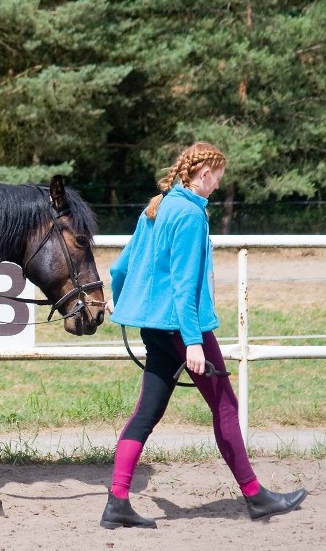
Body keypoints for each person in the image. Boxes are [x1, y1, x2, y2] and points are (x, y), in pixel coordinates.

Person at [100, 141, 307, 529]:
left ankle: (118, 501)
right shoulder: (192, 216)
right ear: (204, 174)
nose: (217, 187)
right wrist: (193, 341)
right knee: (225, 406)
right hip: (182, 326)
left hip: (155, 327)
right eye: (217, 180)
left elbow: (121, 264)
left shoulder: (157, 205)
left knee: (147, 411)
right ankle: (255, 495)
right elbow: (185, 283)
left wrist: (120, 297)